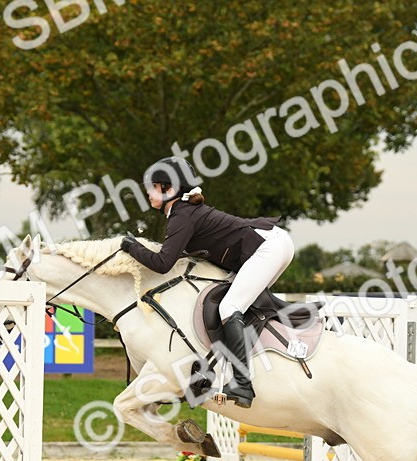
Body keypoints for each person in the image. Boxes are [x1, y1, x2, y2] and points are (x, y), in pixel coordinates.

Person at [120, 157, 295, 408]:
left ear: (169, 189)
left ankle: (243, 385)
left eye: (153, 186)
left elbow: (162, 263)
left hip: (268, 247)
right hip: (271, 244)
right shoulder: (183, 212)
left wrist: (131, 246)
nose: (148, 192)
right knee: (229, 304)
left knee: (229, 307)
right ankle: (215, 370)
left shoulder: (182, 215)